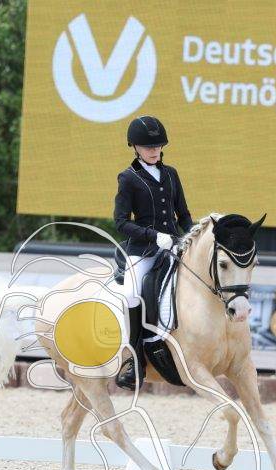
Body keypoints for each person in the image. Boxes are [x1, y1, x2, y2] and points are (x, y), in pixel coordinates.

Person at [112, 115, 194, 389]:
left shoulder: (171, 174)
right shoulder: (128, 178)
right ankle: (135, 360)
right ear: (135, 147)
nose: (154, 150)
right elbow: (121, 222)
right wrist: (153, 235)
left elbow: (183, 214)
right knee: (131, 293)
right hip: (143, 250)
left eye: (158, 146)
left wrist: (192, 236)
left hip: (174, 246)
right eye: (149, 146)